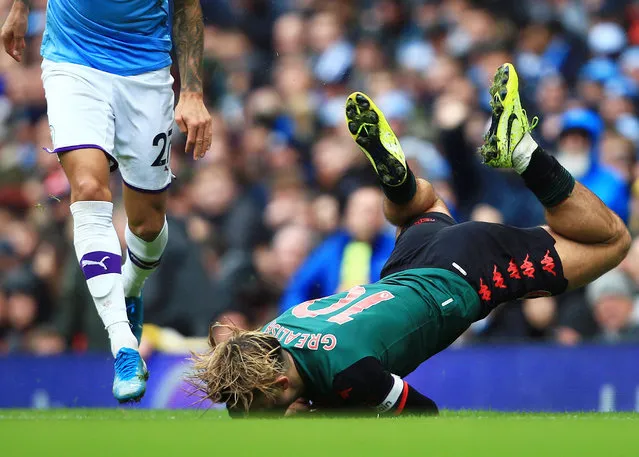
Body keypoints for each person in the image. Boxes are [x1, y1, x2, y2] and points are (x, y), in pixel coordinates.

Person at [190, 63, 630, 417]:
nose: (246, 417)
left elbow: (424, 415)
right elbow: (256, 372)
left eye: (254, 407)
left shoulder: (349, 376)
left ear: (281, 383)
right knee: (429, 203)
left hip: (465, 273)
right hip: (406, 267)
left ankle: (522, 152)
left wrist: (321, 414)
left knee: (612, 241)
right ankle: (399, 188)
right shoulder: (270, 335)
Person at [1, 0, 212, 402]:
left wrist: (193, 92)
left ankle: (131, 289)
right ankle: (123, 346)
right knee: (88, 189)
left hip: (145, 72)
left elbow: (187, 7)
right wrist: (19, 8)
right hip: (72, 62)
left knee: (148, 225)